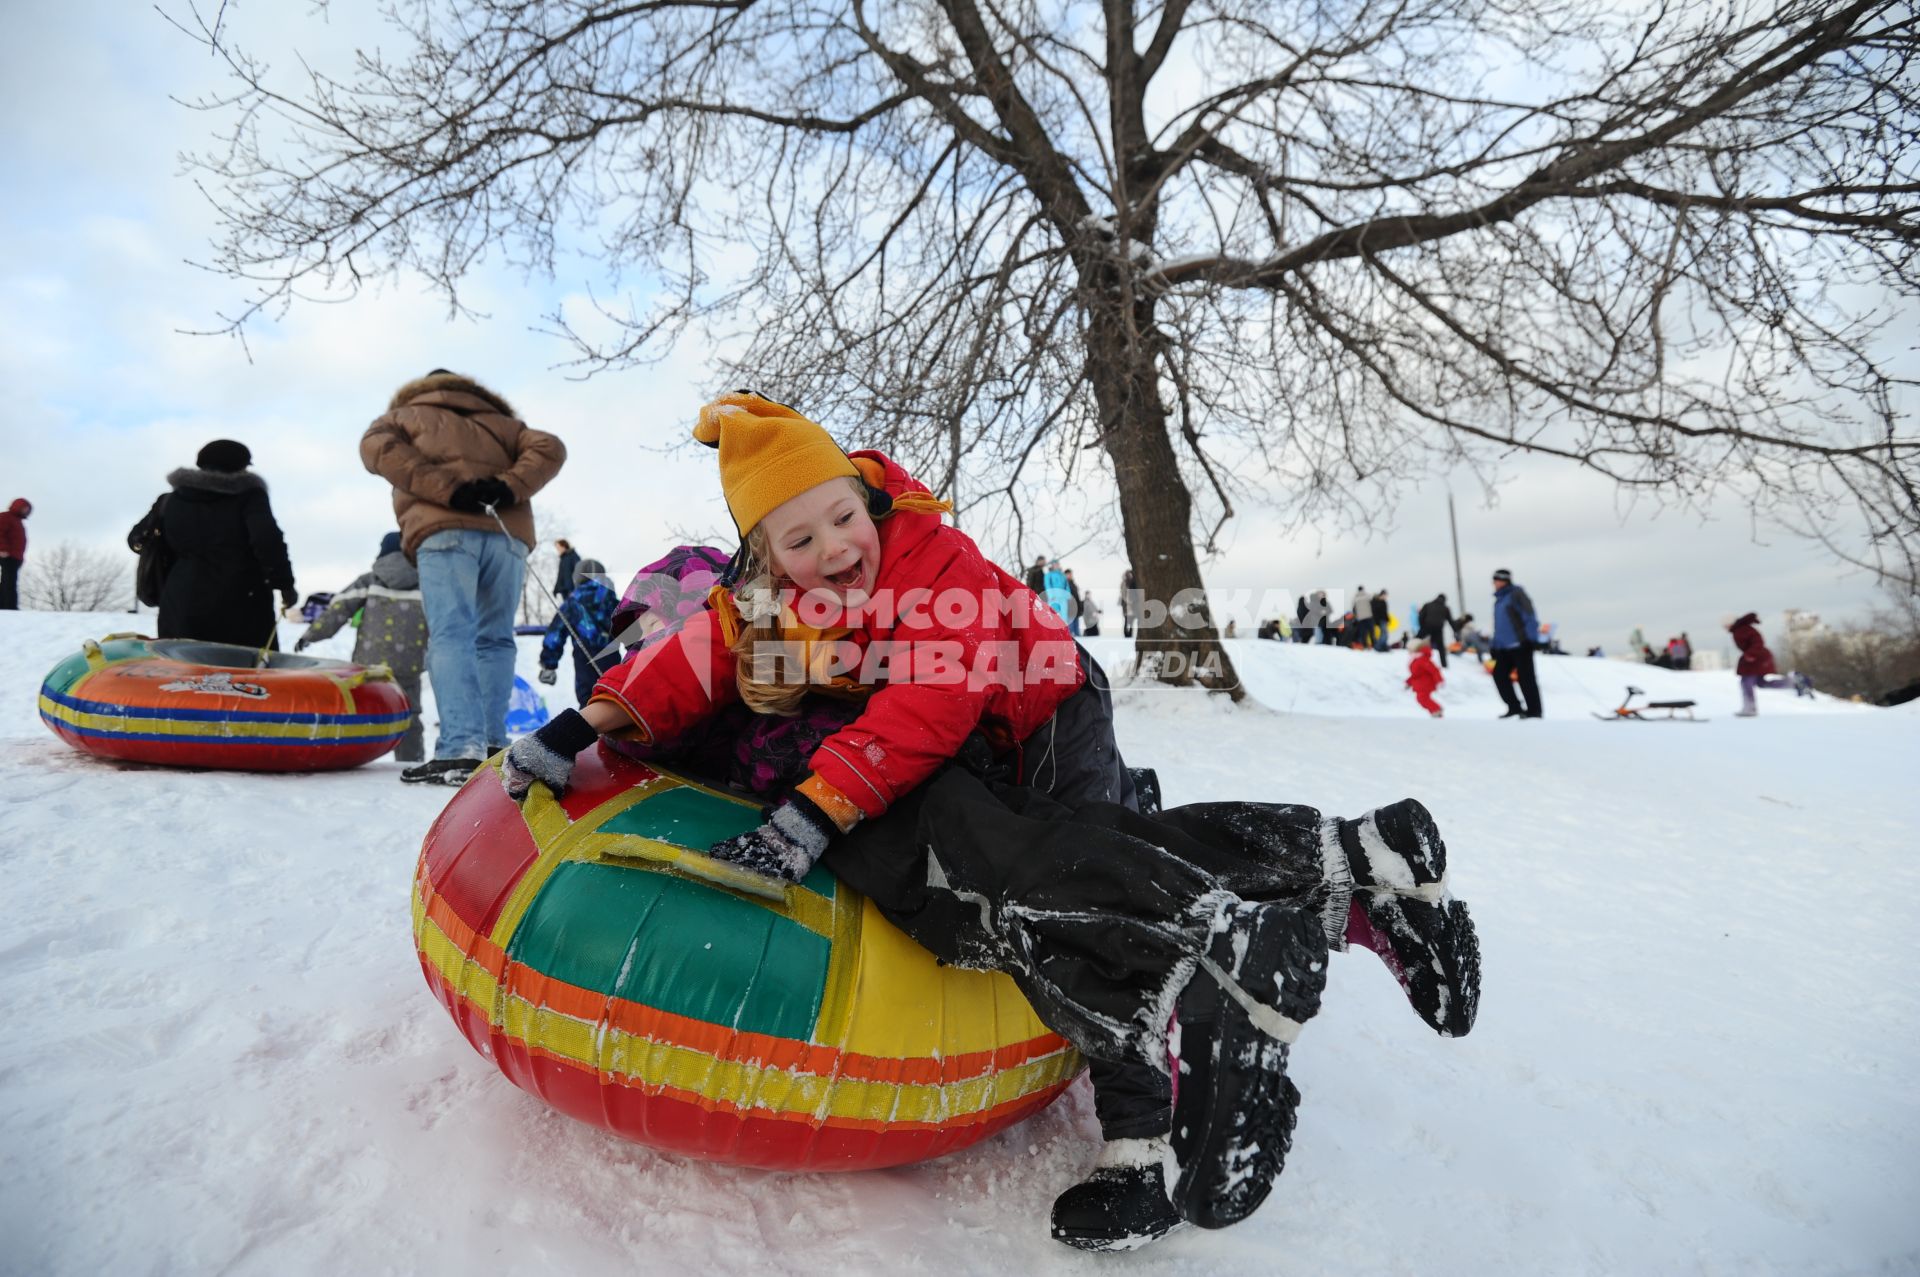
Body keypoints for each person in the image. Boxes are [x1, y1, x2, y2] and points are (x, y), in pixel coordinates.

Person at [501, 393, 1482, 1251]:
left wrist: (813, 811)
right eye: (801, 541)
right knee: (1067, 865)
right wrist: (583, 723)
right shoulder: (763, 605)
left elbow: (924, 707)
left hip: (1042, 713)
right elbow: (687, 663)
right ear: (761, 558)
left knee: (1072, 884)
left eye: (844, 517)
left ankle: (1154, 1129)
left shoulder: (937, 563)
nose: (835, 548)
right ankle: (1356, 860)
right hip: (964, 746)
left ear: (867, 495)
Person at [361, 369, 566, 785]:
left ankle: (459, 748)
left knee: (452, 634)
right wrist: (507, 487)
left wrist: (448, 488)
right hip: (506, 537)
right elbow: (551, 447)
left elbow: (376, 449)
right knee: (495, 637)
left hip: (444, 531)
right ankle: (492, 744)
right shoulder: (506, 426)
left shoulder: (403, 417)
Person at [142, 441, 295, 647]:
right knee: (245, 674)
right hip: (242, 602)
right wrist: (284, 584)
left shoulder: (171, 500)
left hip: (180, 602)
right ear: (241, 467)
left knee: (183, 672)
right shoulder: (249, 496)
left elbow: (137, 539)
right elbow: (267, 540)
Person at [295, 532, 428, 762]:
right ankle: (409, 761)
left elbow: (339, 608)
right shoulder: (427, 583)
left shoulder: (370, 580)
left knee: (363, 709)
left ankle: (353, 757)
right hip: (410, 662)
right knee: (410, 714)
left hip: (369, 662)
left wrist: (311, 635)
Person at [538, 557, 621, 706]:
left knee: (588, 701)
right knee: (616, 699)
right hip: (612, 662)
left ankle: (591, 726)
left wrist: (549, 664)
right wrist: (639, 656)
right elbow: (633, 631)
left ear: (577, 579)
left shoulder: (571, 604)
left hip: (585, 662)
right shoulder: (613, 602)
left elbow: (555, 634)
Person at [1727, 612, 1812, 715]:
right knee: (1761, 683)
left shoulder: (1742, 629)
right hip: (1757, 658)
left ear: (1729, 623)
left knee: (1746, 682)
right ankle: (1793, 682)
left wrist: (1751, 654)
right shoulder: (1740, 629)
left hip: (1756, 659)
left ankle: (1750, 708)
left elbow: (1758, 641)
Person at [1489, 568, 1542, 718]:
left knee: (1526, 678)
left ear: (1503, 580)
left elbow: (1529, 616)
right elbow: (1499, 626)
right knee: (1499, 675)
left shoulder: (1516, 594)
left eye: (1496, 580)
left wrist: (1531, 639)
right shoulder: (1499, 601)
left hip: (1521, 644)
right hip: (1504, 648)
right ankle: (1514, 707)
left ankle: (1534, 711)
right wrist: (1494, 646)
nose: (1494, 583)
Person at [0, 498, 29, 610]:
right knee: (9, 582)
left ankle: (4, 606)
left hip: (15, 557)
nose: (26, 511)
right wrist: (2, 549)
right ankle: (9, 607)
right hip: (7, 554)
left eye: (28, 509)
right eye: (24, 508)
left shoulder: (17, 521)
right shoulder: (6, 517)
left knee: (8, 581)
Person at [1406, 636, 1444, 717]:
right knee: (1421, 699)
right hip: (1420, 684)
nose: (1408, 651)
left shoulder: (1422, 659)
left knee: (1422, 698)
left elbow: (1434, 670)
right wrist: (1408, 682)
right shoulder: (1416, 658)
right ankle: (1435, 711)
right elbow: (1415, 674)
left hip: (1425, 683)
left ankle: (1436, 710)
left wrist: (1439, 680)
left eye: (1409, 649)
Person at [1417, 592, 1456, 668]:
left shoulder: (1428, 605)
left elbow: (1420, 616)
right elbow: (1451, 621)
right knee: (1441, 647)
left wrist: (1422, 626)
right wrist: (1455, 631)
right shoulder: (1445, 608)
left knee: (1417, 640)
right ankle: (1444, 664)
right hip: (1438, 629)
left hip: (1426, 627)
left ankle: (1410, 655)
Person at [1350, 586, 1373, 650]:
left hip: (1360, 618)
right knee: (1371, 631)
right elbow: (1372, 604)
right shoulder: (1367, 595)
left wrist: (1356, 616)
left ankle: (1364, 645)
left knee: (1363, 632)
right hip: (1369, 616)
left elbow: (1354, 608)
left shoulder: (1355, 597)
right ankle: (1373, 645)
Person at [1370, 587, 1391, 652]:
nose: (1386, 597)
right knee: (1384, 634)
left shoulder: (1382, 602)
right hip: (1381, 620)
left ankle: (1383, 647)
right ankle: (1378, 646)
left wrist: (1387, 619)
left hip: (1383, 620)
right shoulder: (1377, 602)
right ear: (1382, 594)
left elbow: (1385, 612)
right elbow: (1379, 612)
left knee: (1384, 634)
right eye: (1385, 595)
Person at [1119, 567, 1137, 637]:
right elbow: (1123, 594)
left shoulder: (1132, 582)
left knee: (1131, 619)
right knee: (1127, 619)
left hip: (1132, 604)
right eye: (1129, 574)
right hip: (1126, 604)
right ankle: (1126, 634)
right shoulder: (1124, 583)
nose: (1130, 575)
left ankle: (1130, 634)